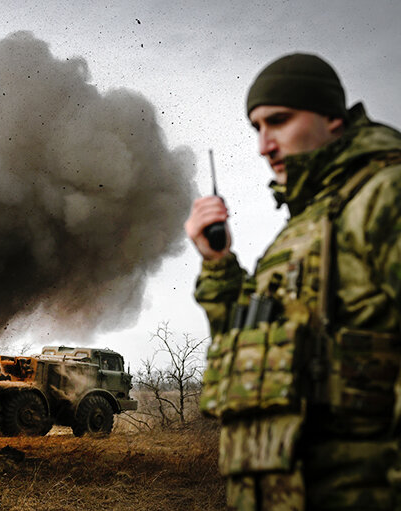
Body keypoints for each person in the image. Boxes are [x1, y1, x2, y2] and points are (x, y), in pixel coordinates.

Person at [185, 53, 401, 510]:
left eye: (278, 122)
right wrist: (218, 264)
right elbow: (246, 354)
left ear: (333, 118)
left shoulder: (384, 194)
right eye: (257, 129)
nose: (265, 145)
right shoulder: (303, 228)